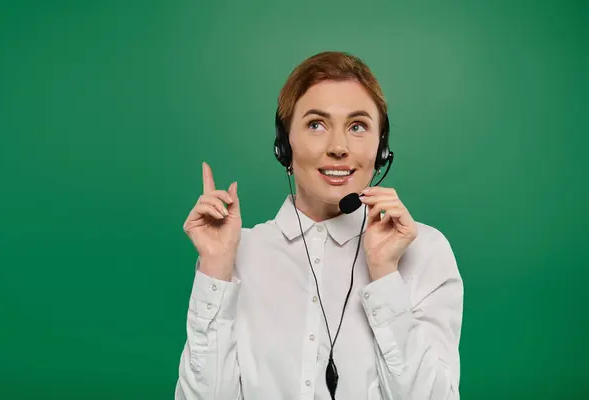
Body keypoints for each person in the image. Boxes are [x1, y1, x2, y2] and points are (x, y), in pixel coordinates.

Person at [175, 51, 464, 400]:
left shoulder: (425, 251)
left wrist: (386, 275)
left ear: (381, 148)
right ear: (284, 145)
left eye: (357, 126)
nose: (338, 147)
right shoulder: (238, 253)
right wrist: (215, 270)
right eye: (316, 124)